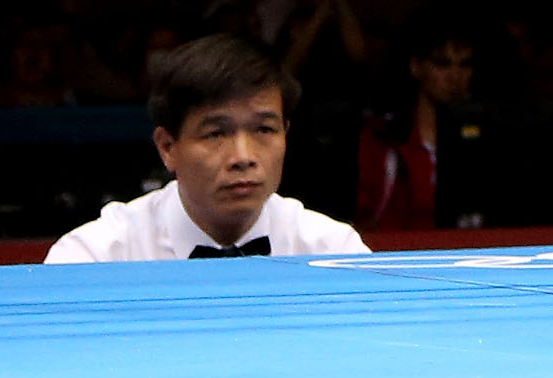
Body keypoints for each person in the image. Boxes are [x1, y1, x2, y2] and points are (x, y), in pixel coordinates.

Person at [46, 36, 367, 263]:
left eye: (264, 129)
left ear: (285, 133)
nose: (243, 157)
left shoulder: (333, 252)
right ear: (168, 147)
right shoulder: (96, 257)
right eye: (216, 134)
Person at [355, 17, 477, 230]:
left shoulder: (486, 141)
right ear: (416, 67)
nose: (455, 76)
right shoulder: (381, 137)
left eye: (464, 64)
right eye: (442, 64)